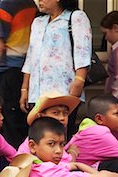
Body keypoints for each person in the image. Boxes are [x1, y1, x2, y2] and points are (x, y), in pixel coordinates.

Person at [20, 0, 91, 140]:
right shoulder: (38, 22)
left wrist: (79, 80)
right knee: (40, 137)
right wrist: (24, 89)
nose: (39, 1)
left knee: (60, 136)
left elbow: (83, 51)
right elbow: (31, 57)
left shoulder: (75, 17)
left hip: (63, 91)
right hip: (37, 93)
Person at [0, 0, 38, 148]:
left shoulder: (4, 7)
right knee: (23, 128)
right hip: (28, 74)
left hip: (9, 73)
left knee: (10, 132)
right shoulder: (31, 4)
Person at [65, 95, 118, 174]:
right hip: (81, 176)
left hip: (79, 173)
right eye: (116, 114)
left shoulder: (87, 129)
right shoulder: (99, 132)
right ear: (99, 119)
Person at [17, 91, 80, 162]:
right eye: (55, 113)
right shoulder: (33, 142)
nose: (62, 118)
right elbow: (67, 165)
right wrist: (73, 152)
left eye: (65, 113)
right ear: (41, 116)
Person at [100, 11, 118, 145]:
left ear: (115, 28)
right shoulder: (117, 48)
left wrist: (113, 102)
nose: (105, 38)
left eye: (105, 33)